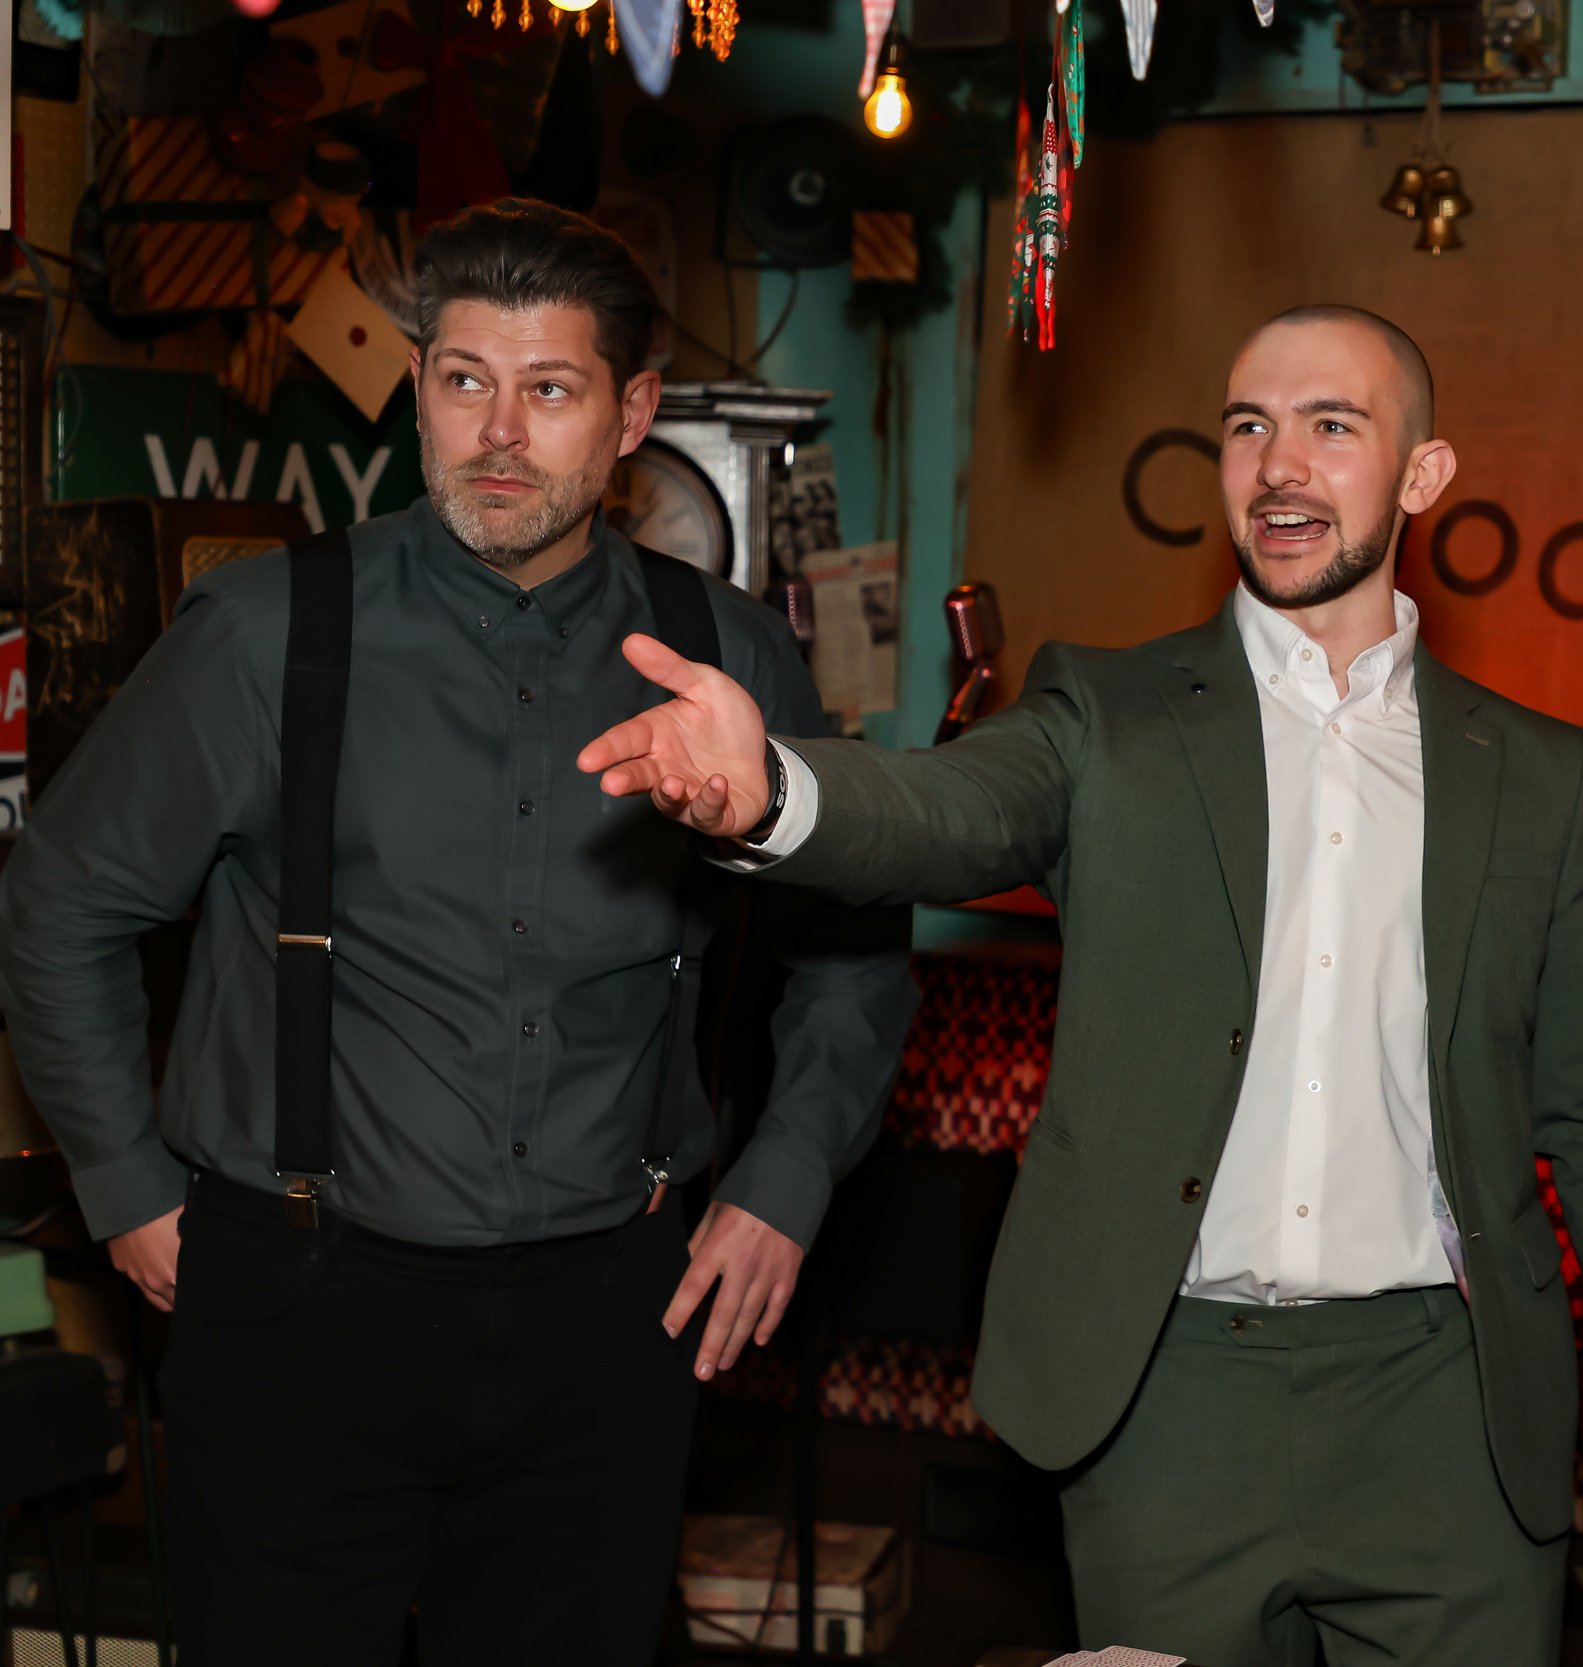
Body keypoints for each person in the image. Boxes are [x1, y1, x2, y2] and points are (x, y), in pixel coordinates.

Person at [579, 305, 1583, 1664]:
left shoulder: (1533, 772)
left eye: (1331, 428)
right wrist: (774, 787)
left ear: (1423, 476)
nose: (1279, 465)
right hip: (1166, 1401)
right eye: (1249, 427)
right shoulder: (1107, 716)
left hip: (1450, 1415)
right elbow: (950, 809)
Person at [0, 198, 916, 1666]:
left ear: (633, 416)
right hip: (299, 1307)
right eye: (461, 380)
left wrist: (787, 1178)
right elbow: (60, 901)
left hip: (611, 1319)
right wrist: (122, 1179)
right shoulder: (263, 633)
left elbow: (853, 947)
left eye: (547, 389)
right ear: (418, 386)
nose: (496, 432)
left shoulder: (728, 653)